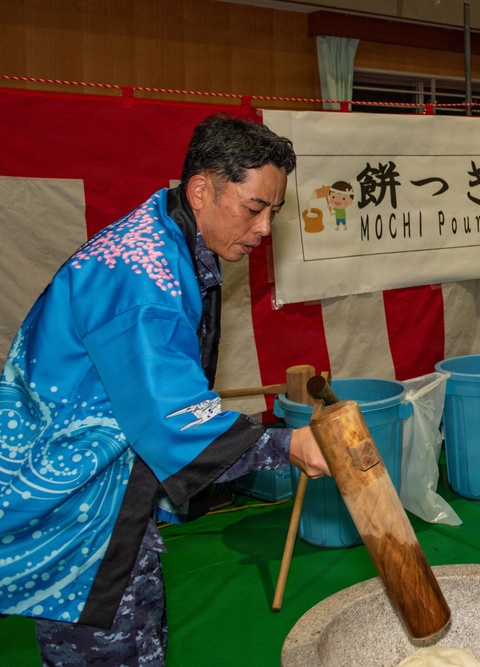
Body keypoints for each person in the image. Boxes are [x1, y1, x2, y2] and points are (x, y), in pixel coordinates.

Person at [0, 113, 331, 666]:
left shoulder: (169, 237)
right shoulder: (142, 273)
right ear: (202, 189)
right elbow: (169, 413)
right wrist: (288, 445)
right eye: (254, 208)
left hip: (102, 486)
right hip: (78, 506)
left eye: (274, 211)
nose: (265, 229)